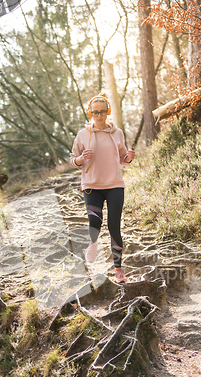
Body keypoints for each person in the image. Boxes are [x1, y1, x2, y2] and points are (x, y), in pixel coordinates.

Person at [70, 93, 135, 283]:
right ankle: (93, 243)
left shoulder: (118, 133)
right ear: (90, 113)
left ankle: (118, 269)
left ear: (108, 112)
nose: (99, 115)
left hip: (114, 184)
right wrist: (81, 159)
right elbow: (73, 160)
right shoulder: (83, 134)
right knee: (94, 223)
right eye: (95, 112)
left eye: (102, 111)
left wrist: (129, 157)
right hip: (91, 186)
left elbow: (123, 160)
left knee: (114, 226)